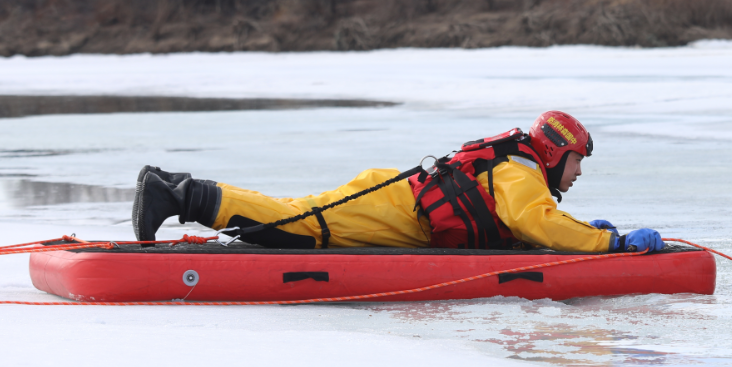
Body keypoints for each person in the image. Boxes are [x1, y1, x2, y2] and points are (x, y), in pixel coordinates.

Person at [131, 111, 665, 254]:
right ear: (554, 151)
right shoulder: (522, 170)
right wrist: (609, 243)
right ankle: (178, 194)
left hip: (393, 198)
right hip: (392, 208)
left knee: (294, 213)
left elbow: (528, 220)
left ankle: (175, 188)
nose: (577, 172)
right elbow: (535, 221)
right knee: (296, 228)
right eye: (575, 161)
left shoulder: (517, 165)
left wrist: (582, 228)